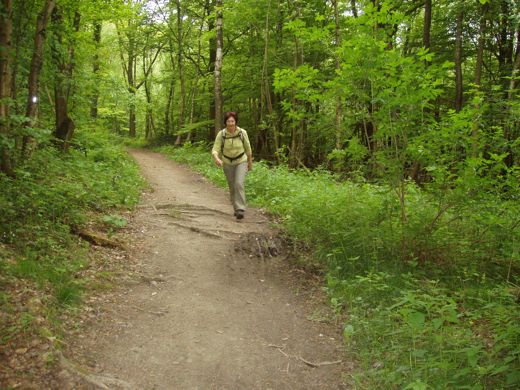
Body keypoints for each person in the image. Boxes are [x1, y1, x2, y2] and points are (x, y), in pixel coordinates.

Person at [211, 111, 253, 220]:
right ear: (225, 123)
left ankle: (240, 209)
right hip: (227, 162)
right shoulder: (222, 134)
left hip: (241, 161)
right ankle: (236, 208)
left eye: (233, 121)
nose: (231, 123)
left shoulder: (242, 133)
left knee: (238, 183)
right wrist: (217, 158)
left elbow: (248, 149)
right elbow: (215, 149)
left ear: (236, 122)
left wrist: (250, 162)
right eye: (229, 121)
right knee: (232, 185)